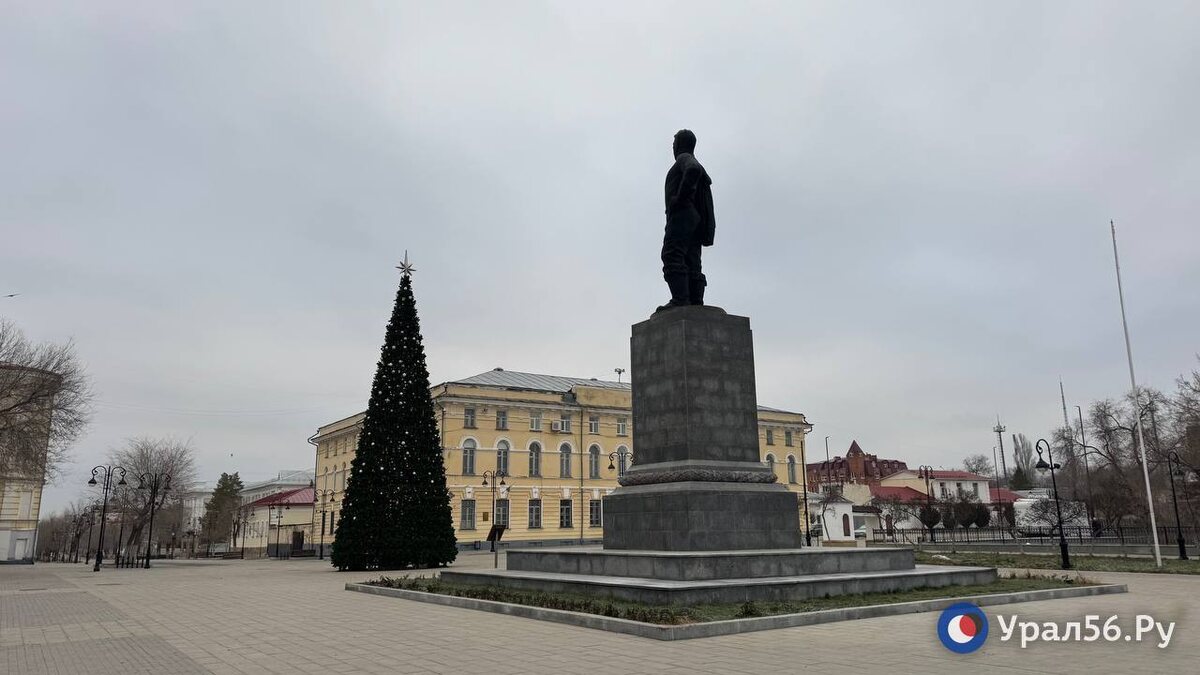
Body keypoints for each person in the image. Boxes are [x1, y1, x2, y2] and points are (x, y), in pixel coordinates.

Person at [658, 129, 715, 312]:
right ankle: (695, 300)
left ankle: (680, 299)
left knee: (672, 254)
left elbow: (692, 170)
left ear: (680, 144)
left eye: (674, 144)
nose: (673, 148)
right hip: (695, 218)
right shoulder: (695, 162)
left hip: (683, 214)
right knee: (692, 258)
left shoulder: (684, 158)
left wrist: (681, 198)